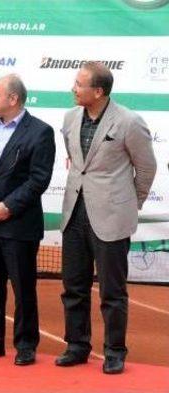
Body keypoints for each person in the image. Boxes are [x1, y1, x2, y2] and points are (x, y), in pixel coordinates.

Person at [56, 62, 156, 374]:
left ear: (98, 91)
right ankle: (76, 345)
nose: (74, 88)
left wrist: (129, 204)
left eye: (79, 84)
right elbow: (77, 163)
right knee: (73, 286)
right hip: (74, 214)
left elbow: (147, 169)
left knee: (112, 292)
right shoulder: (70, 118)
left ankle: (115, 351)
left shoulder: (129, 122)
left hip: (112, 217)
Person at [0, 74, 55, 366]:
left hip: (19, 224)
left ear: (13, 99)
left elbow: (38, 178)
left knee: (23, 287)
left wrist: (9, 206)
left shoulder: (40, 132)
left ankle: (26, 345)